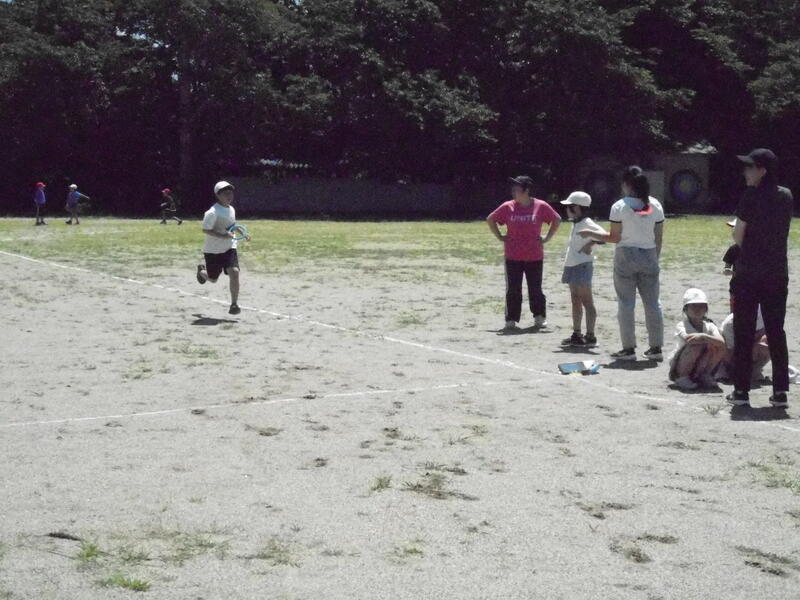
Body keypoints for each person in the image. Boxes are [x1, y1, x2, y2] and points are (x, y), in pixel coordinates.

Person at [727, 149, 793, 409]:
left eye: (750, 167)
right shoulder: (785, 195)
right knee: (776, 330)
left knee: (744, 330)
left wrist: (745, 246)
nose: (746, 171)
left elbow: (738, 235)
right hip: (777, 272)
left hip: (749, 272)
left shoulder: (750, 196)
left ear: (763, 170)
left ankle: (741, 390)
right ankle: (780, 391)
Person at [579, 166, 665, 361]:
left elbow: (614, 237)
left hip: (626, 256)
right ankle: (656, 347)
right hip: (649, 255)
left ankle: (628, 348)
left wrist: (591, 233)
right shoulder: (656, 205)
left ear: (626, 185)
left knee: (626, 304)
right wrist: (655, 258)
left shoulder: (619, 206)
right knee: (653, 303)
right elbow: (658, 237)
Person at [487, 175, 561, 331]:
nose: (513, 192)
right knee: (513, 289)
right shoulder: (508, 206)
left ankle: (539, 317)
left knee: (535, 288)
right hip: (513, 256)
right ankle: (511, 319)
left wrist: (547, 238)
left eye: (517, 189)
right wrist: (500, 236)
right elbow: (490, 219)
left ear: (526, 190)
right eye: (513, 189)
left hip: (534, 256)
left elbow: (557, 219)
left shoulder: (540, 206)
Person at [559, 191, 606, 347]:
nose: (567, 210)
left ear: (578, 208)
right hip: (572, 264)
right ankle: (577, 334)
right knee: (575, 299)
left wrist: (590, 243)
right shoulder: (576, 223)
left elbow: (604, 236)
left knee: (586, 301)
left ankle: (590, 336)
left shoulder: (587, 223)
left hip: (582, 265)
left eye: (569, 206)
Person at [196, 181, 248, 315]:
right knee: (213, 279)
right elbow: (206, 230)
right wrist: (223, 236)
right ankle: (201, 272)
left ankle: (234, 304)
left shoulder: (231, 209)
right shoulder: (212, 212)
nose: (229, 195)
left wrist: (243, 233)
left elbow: (232, 225)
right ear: (218, 195)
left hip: (230, 247)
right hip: (213, 250)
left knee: (234, 272)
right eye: (225, 193)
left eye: (230, 193)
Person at [668, 288, 726, 390]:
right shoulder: (682, 325)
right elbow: (690, 340)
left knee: (718, 347)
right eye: (693, 306)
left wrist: (704, 336)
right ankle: (682, 377)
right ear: (685, 309)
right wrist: (707, 339)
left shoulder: (710, 325)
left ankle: (704, 374)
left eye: (701, 306)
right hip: (681, 364)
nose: (697, 309)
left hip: (701, 363)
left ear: (706, 309)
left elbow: (721, 342)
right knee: (696, 345)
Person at [718, 309, 770, 384]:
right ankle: (726, 372)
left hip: (750, 348)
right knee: (726, 353)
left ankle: (754, 371)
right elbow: (730, 352)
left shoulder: (765, 318)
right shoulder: (730, 324)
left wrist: (759, 345)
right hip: (731, 354)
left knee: (771, 345)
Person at [722, 218, 740, 312]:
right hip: (736, 288)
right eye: (733, 229)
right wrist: (728, 271)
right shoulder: (733, 249)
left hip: (753, 288)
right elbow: (726, 268)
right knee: (734, 314)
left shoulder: (755, 249)